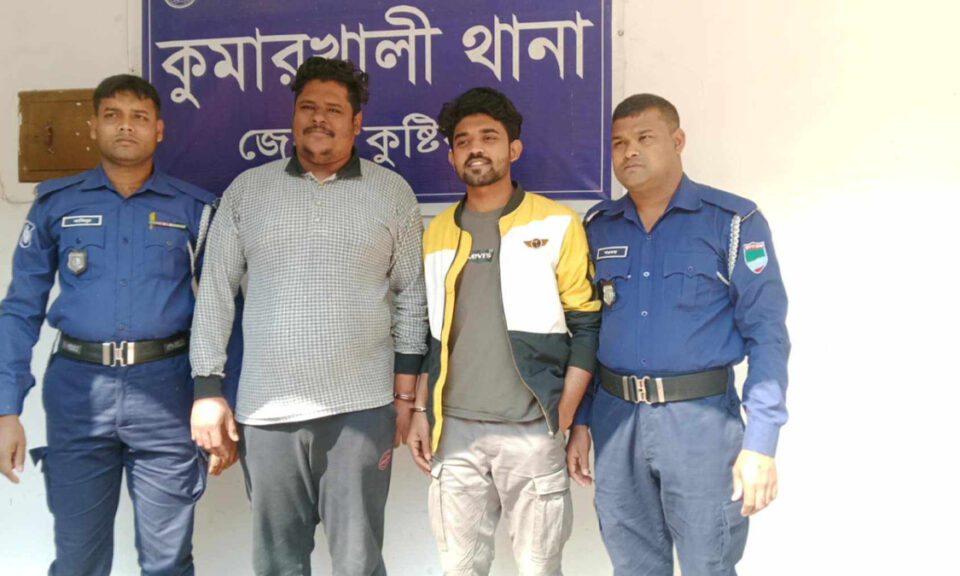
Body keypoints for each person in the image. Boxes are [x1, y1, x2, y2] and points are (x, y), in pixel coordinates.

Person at [0, 74, 233, 575]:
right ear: (93, 125)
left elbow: (224, 309)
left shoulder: (194, 208)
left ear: (158, 130)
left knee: (167, 562)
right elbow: (20, 308)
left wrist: (222, 398)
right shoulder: (57, 203)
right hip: (79, 391)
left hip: (167, 391)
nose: (126, 127)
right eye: (113, 116)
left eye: (139, 117)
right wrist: (5, 411)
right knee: (78, 559)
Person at [188, 56, 427, 576]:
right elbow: (215, 296)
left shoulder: (392, 194)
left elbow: (412, 299)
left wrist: (405, 399)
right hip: (267, 413)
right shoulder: (247, 191)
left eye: (334, 110)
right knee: (278, 564)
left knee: (359, 563)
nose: (319, 118)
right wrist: (207, 388)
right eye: (308, 107)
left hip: (362, 410)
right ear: (293, 115)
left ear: (356, 122)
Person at [567, 93, 790, 576]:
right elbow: (588, 332)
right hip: (616, 422)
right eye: (618, 142)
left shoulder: (733, 222)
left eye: (644, 137)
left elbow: (768, 336)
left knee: (708, 564)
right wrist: (581, 421)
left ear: (677, 140)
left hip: (701, 425)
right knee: (632, 567)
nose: (629, 151)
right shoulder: (599, 227)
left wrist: (761, 443)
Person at [407, 87, 600, 576]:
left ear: (514, 148)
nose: (476, 148)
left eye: (489, 137)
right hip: (455, 433)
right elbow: (433, 335)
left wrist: (565, 412)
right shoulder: (437, 232)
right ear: (451, 156)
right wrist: (420, 412)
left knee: (539, 568)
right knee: (460, 568)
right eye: (463, 140)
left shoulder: (557, 222)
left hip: (531, 429)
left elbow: (586, 324)